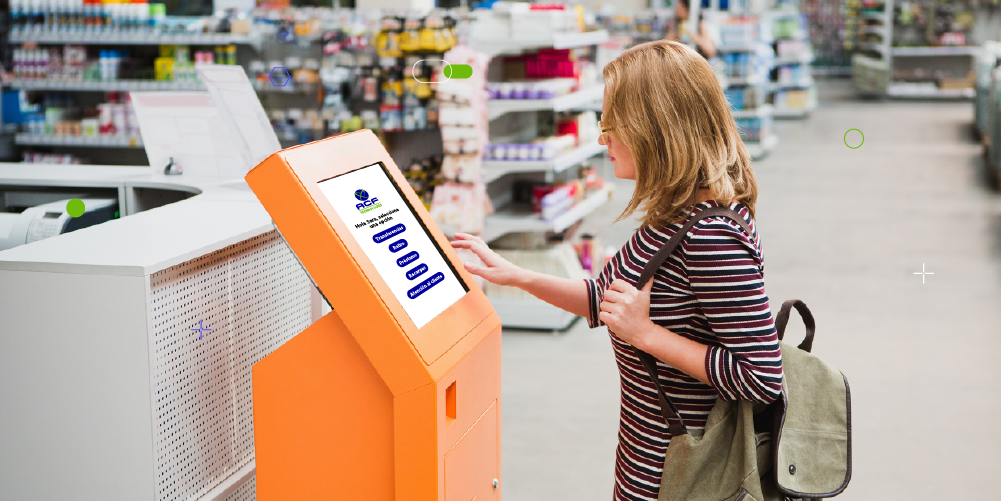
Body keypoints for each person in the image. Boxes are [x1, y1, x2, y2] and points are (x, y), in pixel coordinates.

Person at [450, 40, 782, 501]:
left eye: (610, 124)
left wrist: (645, 334)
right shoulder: (677, 212)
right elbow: (608, 301)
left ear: (656, 128)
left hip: (685, 478)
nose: (602, 138)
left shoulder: (711, 238)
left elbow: (760, 375)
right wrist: (515, 275)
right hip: (647, 464)